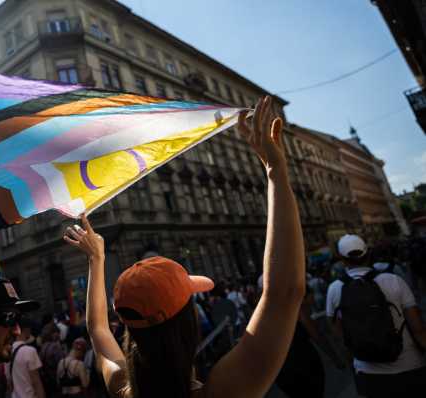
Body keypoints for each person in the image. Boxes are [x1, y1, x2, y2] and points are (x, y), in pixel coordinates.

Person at [64, 96, 306, 398]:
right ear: (186, 326)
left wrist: (96, 259)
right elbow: (284, 293)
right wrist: (275, 170)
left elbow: (98, 329)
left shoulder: (122, 387)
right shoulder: (219, 392)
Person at [326, 234, 426, 397]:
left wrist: (353, 362)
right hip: (409, 367)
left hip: (368, 374)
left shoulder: (334, 289)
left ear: (342, 259)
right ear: (368, 254)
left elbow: (339, 336)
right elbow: (418, 329)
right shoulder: (394, 280)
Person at [4, 318, 46, 398]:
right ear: (26, 330)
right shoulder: (30, 351)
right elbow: (36, 382)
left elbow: (9, 383)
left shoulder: (7, 352)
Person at [39, 322, 66, 396]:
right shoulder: (55, 347)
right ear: (52, 333)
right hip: (55, 379)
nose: (58, 335)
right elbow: (62, 362)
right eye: (57, 332)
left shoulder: (43, 346)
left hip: (46, 380)